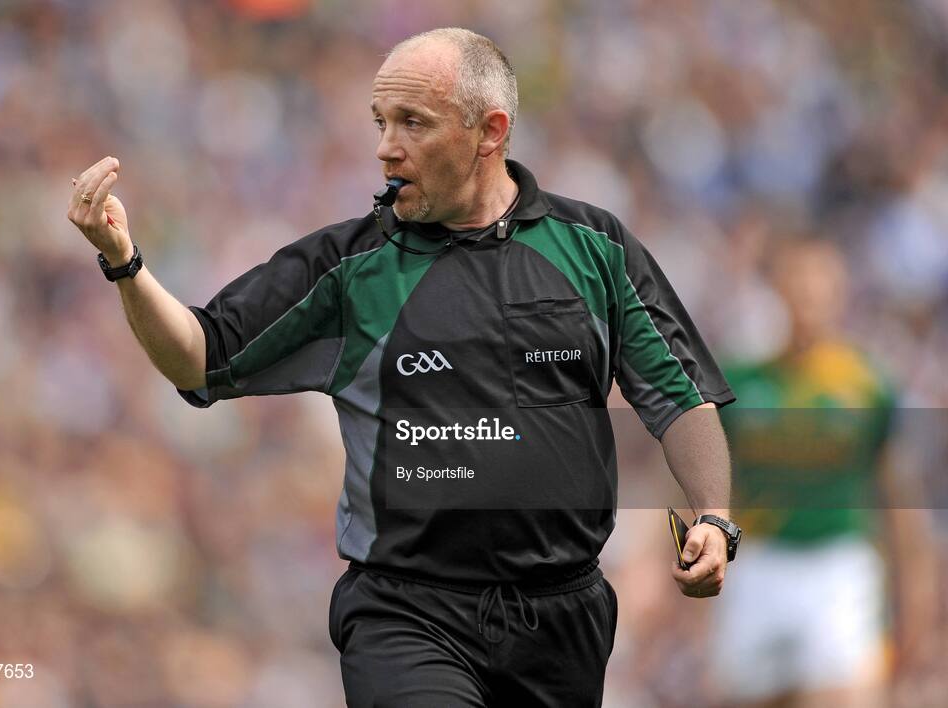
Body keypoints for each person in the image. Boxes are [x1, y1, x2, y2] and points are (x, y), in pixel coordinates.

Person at [68, 27, 738, 708]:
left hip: (563, 622)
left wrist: (714, 516)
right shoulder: (348, 268)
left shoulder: (595, 248)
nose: (386, 146)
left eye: (413, 122)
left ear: (489, 131)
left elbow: (680, 397)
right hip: (405, 613)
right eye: (380, 122)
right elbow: (198, 357)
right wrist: (124, 265)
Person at [710, 238, 939, 708]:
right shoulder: (740, 382)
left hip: (840, 570)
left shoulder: (868, 385)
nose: (809, 294)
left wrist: (918, 594)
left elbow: (901, 498)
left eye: (821, 282)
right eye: (798, 280)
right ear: (777, 288)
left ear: (841, 291)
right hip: (759, 565)